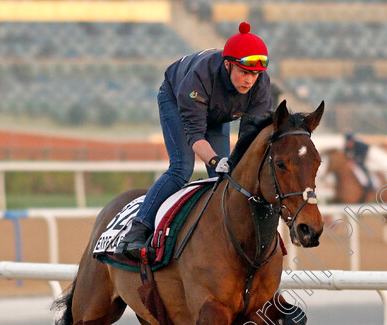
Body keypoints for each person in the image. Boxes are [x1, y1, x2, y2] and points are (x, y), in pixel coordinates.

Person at [115, 22, 272, 259]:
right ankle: (135, 233)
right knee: (181, 168)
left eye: (255, 74)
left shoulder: (260, 84)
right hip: (177, 99)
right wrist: (216, 159)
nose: (250, 81)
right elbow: (196, 137)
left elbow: (249, 137)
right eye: (244, 72)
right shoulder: (200, 77)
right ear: (228, 64)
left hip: (218, 111)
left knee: (225, 179)